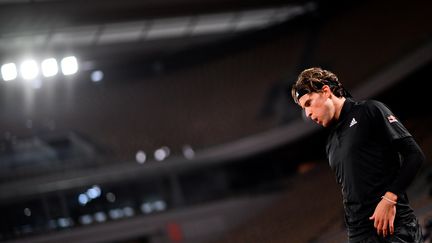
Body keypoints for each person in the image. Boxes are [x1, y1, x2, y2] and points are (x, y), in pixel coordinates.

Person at [290, 67, 425, 242]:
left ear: (326, 91)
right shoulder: (331, 144)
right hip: (359, 235)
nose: (307, 114)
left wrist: (390, 199)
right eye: (304, 108)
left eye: (309, 103)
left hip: (393, 227)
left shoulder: (369, 110)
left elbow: (414, 155)